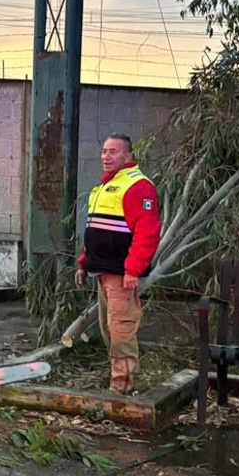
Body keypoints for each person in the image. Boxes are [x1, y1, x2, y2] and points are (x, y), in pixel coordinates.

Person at [74, 133, 161, 393]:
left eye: (113, 152)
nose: (106, 156)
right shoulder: (102, 187)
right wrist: (83, 262)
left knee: (121, 329)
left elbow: (147, 233)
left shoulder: (138, 186)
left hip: (121, 273)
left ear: (128, 156)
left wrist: (133, 270)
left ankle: (122, 387)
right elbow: (94, 230)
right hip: (102, 270)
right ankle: (118, 380)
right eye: (104, 151)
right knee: (108, 329)